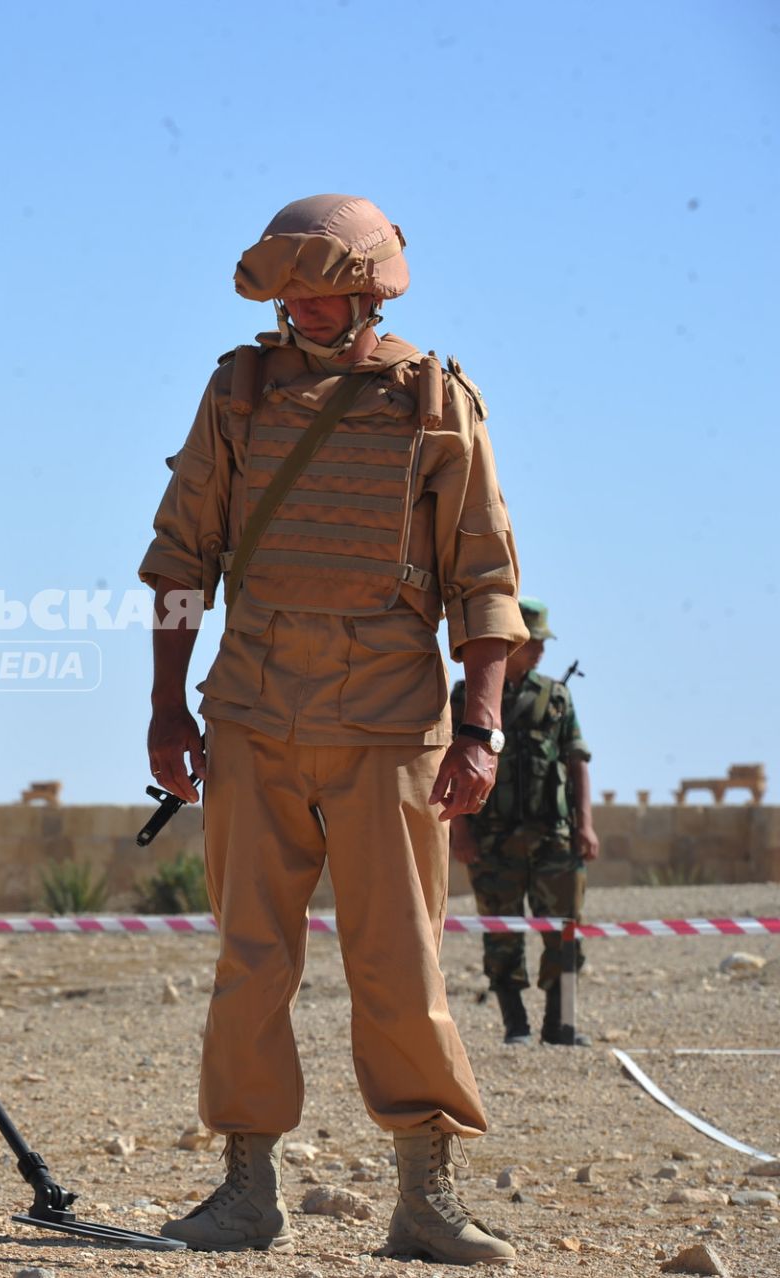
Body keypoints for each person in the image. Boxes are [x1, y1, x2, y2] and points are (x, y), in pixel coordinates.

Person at [140, 194, 524, 1264]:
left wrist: (482, 731)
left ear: (369, 288)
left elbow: (487, 584)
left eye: (323, 286)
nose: (304, 306)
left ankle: (425, 1197)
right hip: (255, 714)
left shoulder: (434, 404)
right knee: (249, 959)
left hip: (394, 727)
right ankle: (244, 1191)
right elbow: (182, 559)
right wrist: (168, 704)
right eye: (289, 288)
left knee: (400, 961)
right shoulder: (239, 392)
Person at [451, 598, 597, 1046]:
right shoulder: (466, 697)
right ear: (511, 643)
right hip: (492, 839)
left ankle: (562, 1025)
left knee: (565, 935)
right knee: (500, 936)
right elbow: (447, 761)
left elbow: (577, 761)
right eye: (534, 643)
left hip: (553, 835)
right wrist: (459, 829)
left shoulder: (556, 696)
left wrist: (585, 824)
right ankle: (515, 1026)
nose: (541, 652)